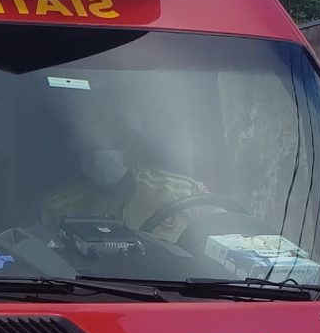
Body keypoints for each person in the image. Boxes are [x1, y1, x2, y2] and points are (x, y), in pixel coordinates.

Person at [40, 103, 212, 243]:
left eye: (114, 141)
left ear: (132, 143)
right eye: (91, 144)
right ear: (77, 147)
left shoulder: (186, 195)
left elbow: (228, 242)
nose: (102, 152)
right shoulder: (57, 208)